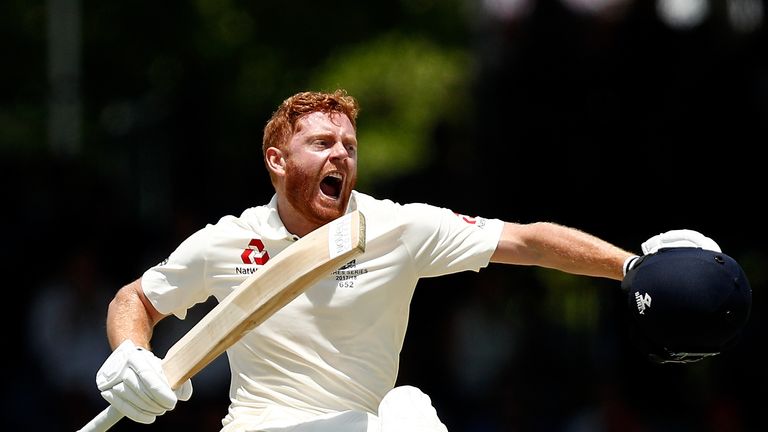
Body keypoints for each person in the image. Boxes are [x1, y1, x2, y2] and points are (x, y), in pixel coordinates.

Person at [92, 89, 744, 432]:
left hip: (367, 427)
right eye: (321, 143)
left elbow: (525, 239)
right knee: (407, 416)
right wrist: (129, 355)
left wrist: (629, 267)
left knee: (406, 412)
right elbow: (138, 301)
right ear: (277, 160)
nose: (341, 155)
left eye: (348, 144)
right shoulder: (226, 242)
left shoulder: (396, 227)